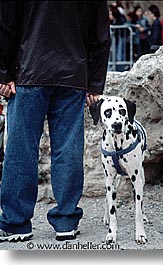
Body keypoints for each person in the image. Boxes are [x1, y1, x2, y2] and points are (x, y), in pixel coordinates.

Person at [0, 1, 110, 242]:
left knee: (21, 149)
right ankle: (66, 221)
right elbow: (101, 34)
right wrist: (94, 83)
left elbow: (5, 25)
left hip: (28, 71)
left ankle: (16, 223)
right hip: (73, 73)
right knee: (68, 149)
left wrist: (4, 74)